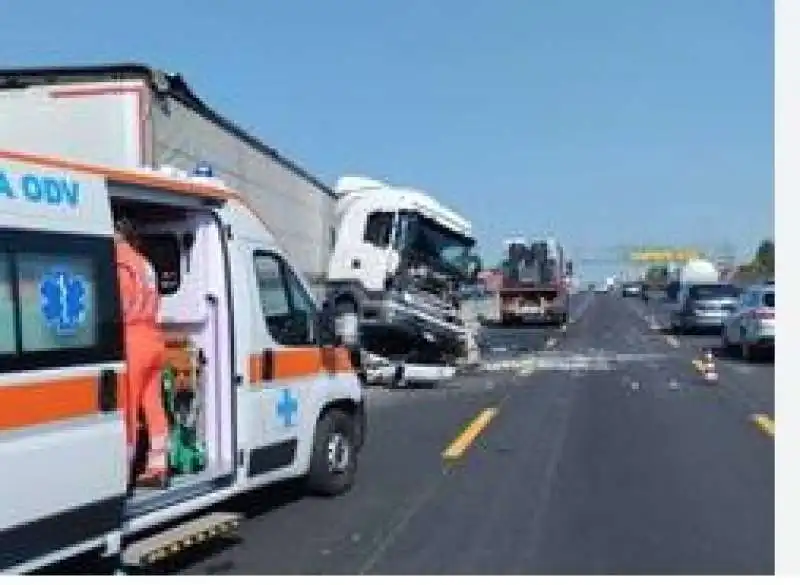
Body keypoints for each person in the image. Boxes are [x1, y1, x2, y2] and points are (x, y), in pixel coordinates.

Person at [114, 217, 170, 488]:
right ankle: (158, 466)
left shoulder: (121, 261)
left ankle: (123, 473)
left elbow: (121, 303)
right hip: (153, 336)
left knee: (128, 407)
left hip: (132, 339)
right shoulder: (144, 263)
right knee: (153, 403)